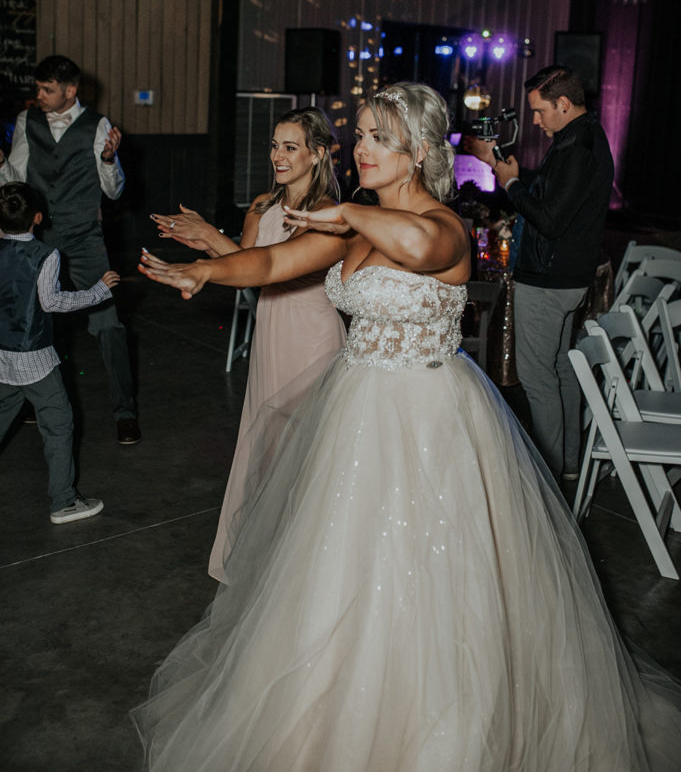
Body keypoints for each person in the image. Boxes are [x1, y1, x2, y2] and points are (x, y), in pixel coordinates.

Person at [133, 82, 680, 771]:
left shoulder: (442, 225)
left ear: (419, 151)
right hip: (354, 413)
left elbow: (420, 245)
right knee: (338, 569)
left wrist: (345, 217)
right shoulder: (354, 221)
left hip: (427, 421)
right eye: (358, 134)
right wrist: (208, 270)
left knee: (432, 580)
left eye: (377, 138)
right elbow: (272, 261)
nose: (360, 148)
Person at [150, 107, 348, 578]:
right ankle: (268, 556)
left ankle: (313, 559)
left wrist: (209, 248)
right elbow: (250, 266)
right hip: (272, 330)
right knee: (267, 444)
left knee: (309, 446)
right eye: (274, 145)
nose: (277, 156)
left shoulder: (327, 215)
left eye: (290, 146)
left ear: (318, 154)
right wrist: (208, 239)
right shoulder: (263, 205)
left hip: (312, 335)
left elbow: (273, 264)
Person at [466, 65, 614, 482]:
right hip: (568, 277)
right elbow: (554, 195)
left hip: (550, 281)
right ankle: (568, 464)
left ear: (563, 104)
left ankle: (549, 477)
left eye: (539, 111)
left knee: (536, 377)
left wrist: (511, 186)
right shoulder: (580, 137)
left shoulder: (577, 147)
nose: (534, 120)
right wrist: (503, 168)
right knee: (563, 368)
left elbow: (548, 219)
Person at [0, 55, 140, 445]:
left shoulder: (99, 126)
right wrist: (0, 166)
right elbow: (16, 175)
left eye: (47, 89)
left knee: (108, 325)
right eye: (38, 88)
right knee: (29, 324)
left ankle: (125, 411)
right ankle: (31, 398)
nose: (39, 95)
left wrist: (109, 159)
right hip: (37, 240)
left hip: (83, 239)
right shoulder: (28, 122)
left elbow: (114, 190)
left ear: (70, 90)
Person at [0, 182, 119, 523]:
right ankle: (64, 501)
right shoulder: (46, 255)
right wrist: (96, 292)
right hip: (34, 357)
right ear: (38, 217)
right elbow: (51, 301)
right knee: (58, 424)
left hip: (1, 356)